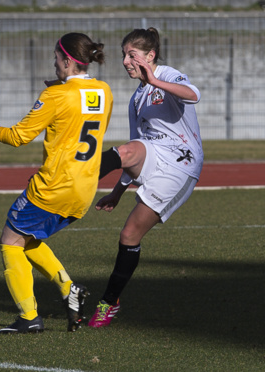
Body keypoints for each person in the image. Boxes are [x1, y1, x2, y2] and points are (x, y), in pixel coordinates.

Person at [0, 32, 113, 333]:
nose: (54, 62)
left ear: (69, 61)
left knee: (10, 241)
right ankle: (69, 290)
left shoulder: (55, 95)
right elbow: (78, 112)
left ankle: (29, 317)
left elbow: (18, 137)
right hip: (84, 190)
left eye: (57, 58)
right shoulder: (105, 91)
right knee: (28, 239)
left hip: (53, 187)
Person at [89, 27, 203, 328]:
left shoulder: (166, 74)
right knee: (125, 149)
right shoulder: (136, 99)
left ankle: (108, 302)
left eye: (132, 55)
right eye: (124, 55)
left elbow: (194, 95)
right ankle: (74, 178)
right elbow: (132, 152)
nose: (126, 61)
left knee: (129, 236)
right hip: (153, 154)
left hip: (180, 165)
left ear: (150, 56)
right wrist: (117, 192)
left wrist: (156, 80)